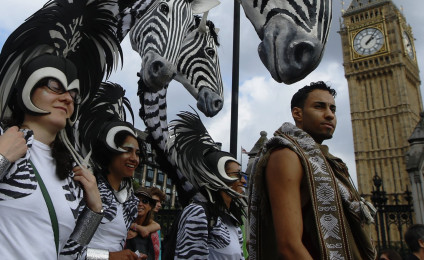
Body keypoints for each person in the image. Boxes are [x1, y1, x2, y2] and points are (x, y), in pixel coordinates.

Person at [0, 0, 122, 259]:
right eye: (54, 86)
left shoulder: (70, 173)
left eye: (73, 93)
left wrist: (94, 210)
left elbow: (70, 255)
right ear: (27, 88)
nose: (67, 98)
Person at [248, 81, 376, 259]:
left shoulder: (326, 162)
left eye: (333, 109)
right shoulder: (287, 155)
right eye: (319, 107)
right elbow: (289, 246)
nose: (330, 115)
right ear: (297, 113)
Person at [167, 111, 246, 260]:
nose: (243, 181)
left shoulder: (233, 221)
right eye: (237, 175)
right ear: (217, 177)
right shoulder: (198, 213)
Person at [78, 82, 143, 260]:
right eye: (127, 150)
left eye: (137, 153)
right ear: (111, 151)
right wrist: (110, 257)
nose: (134, 159)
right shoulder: (90, 190)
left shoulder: (129, 200)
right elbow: (71, 251)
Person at [126, 188, 158, 259]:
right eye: (136, 200)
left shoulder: (153, 232)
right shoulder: (123, 224)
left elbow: (156, 256)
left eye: (144, 201)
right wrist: (137, 228)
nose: (140, 204)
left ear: (150, 207)